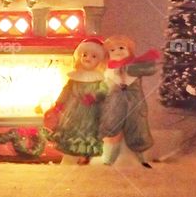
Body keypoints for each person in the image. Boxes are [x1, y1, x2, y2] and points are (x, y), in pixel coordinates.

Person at [100, 35, 159, 168]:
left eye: (121, 48)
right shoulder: (108, 70)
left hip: (134, 104)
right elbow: (103, 87)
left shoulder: (134, 67)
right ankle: (108, 160)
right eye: (112, 50)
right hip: (114, 105)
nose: (117, 51)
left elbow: (150, 69)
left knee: (137, 130)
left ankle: (141, 159)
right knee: (113, 131)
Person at [45, 38, 107, 164]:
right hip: (73, 113)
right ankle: (70, 159)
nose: (88, 58)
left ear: (100, 61)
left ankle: (91, 161)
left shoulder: (99, 79)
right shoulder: (74, 78)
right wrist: (58, 106)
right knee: (72, 135)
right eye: (84, 55)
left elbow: (104, 91)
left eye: (93, 56)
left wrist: (95, 97)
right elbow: (66, 92)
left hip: (91, 114)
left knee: (89, 136)